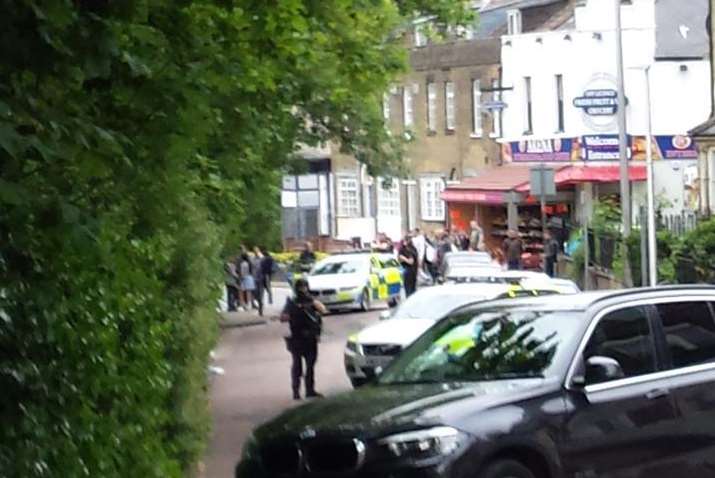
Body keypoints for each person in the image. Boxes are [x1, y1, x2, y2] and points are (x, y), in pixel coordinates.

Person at [280, 279, 327, 400]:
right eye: (301, 287)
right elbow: (283, 317)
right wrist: (294, 312)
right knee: (297, 366)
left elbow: (323, 310)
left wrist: (312, 304)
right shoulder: (292, 302)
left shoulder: (311, 301)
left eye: (304, 287)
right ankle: (296, 392)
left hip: (310, 338)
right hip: (297, 337)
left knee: (310, 366)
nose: (303, 290)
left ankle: (309, 390)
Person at [251, 248, 265, 316]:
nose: (256, 252)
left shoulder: (262, 258)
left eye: (257, 251)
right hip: (254, 278)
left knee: (260, 293)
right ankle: (259, 301)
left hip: (261, 278)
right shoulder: (252, 259)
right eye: (255, 251)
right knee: (254, 292)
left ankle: (260, 308)